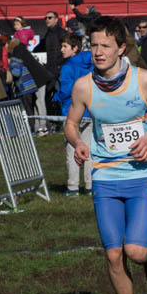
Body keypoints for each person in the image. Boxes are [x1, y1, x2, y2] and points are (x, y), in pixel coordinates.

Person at [64, 16, 147, 294]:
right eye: (94, 45)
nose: (98, 52)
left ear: (121, 48)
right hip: (104, 175)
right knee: (114, 254)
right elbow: (71, 124)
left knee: (135, 252)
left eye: (105, 45)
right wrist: (78, 143)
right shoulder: (84, 86)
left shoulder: (143, 80)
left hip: (140, 172)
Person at [53, 34, 94, 197]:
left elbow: (65, 91)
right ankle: (90, 186)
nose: (61, 49)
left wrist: (56, 97)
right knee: (89, 149)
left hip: (71, 112)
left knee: (72, 150)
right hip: (89, 111)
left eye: (65, 46)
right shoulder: (91, 65)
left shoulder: (67, 67)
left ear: (75, 48)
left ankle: (73, 187)